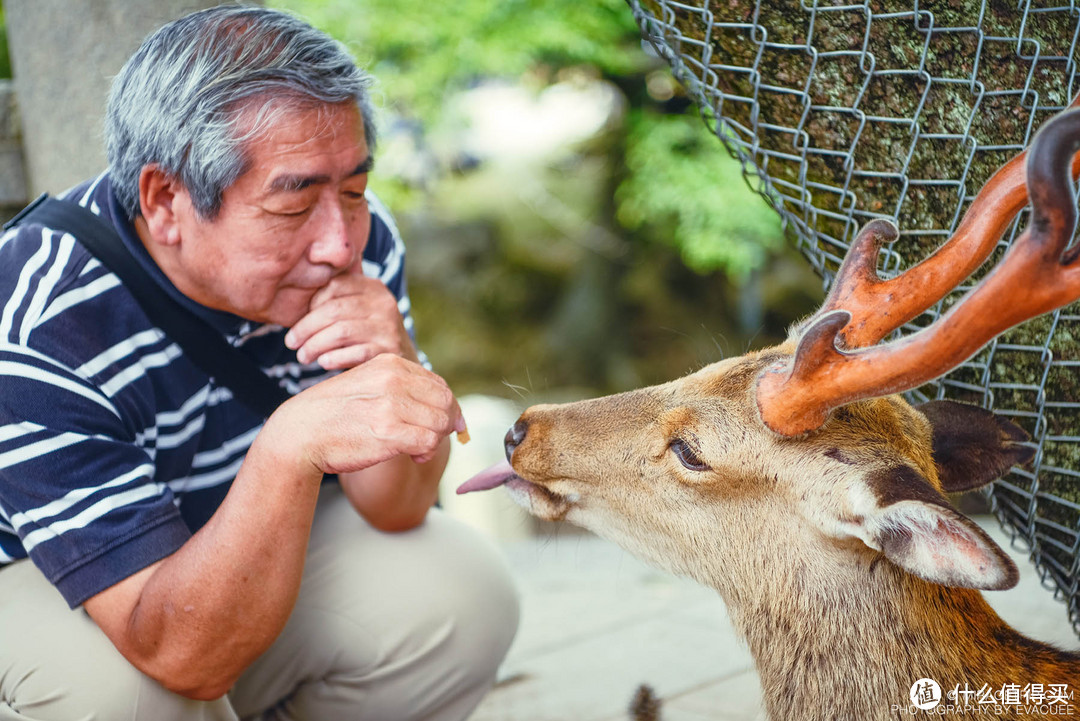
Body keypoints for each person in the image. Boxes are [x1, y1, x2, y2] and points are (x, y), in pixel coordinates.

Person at [0, 5, 519, 719]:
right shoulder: (35, 323)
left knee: (459, 590)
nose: (339, 243)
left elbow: (396, 509)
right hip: (41, 574)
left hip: (225, 539)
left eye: (355, 190)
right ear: (167, 201)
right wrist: (289, 444)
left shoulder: (358, 249)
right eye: (293, 203)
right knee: (130, 695)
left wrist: (387, 353)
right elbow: (181, 656)